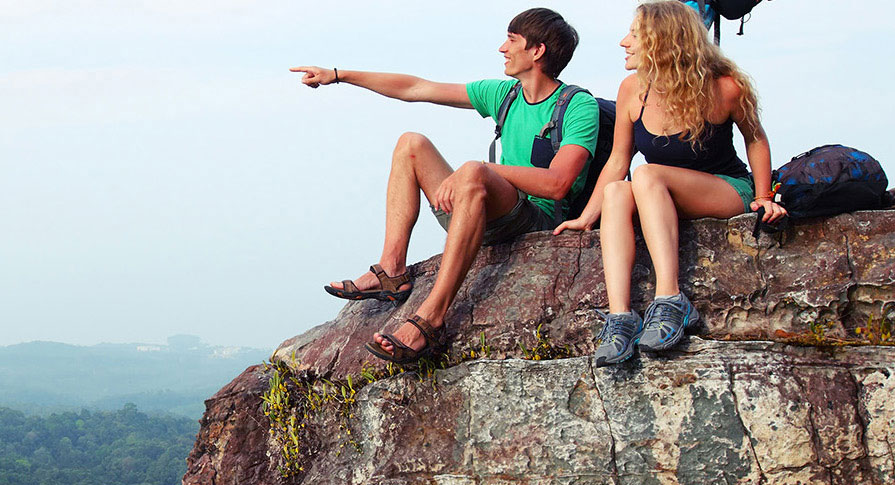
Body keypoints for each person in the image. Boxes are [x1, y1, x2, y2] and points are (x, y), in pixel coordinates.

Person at [291, 8, 600, 365]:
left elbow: (558, 184)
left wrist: (481, 170)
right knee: (411, 144)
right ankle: (391, 270)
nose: (502, 48)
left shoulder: (578, 106)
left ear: (537, 51)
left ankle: (430, 318)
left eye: (511, 40)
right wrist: (338, 74)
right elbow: (416, 88)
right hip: (487, 211)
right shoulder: (505, 95)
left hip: (536, 222)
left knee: (473, 171)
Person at [551, 0, 786, 366]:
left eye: (634, 34)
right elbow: (617, 162)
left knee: (646, 173)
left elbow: (755, 139)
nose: (623, 42)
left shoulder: (725, 87)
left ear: (663, 40)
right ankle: (620, 317)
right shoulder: (632, 89)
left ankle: (671, 299)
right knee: (617, 190)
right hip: (659, 191)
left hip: (724, 187)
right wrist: (586, 217)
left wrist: (762, 196)